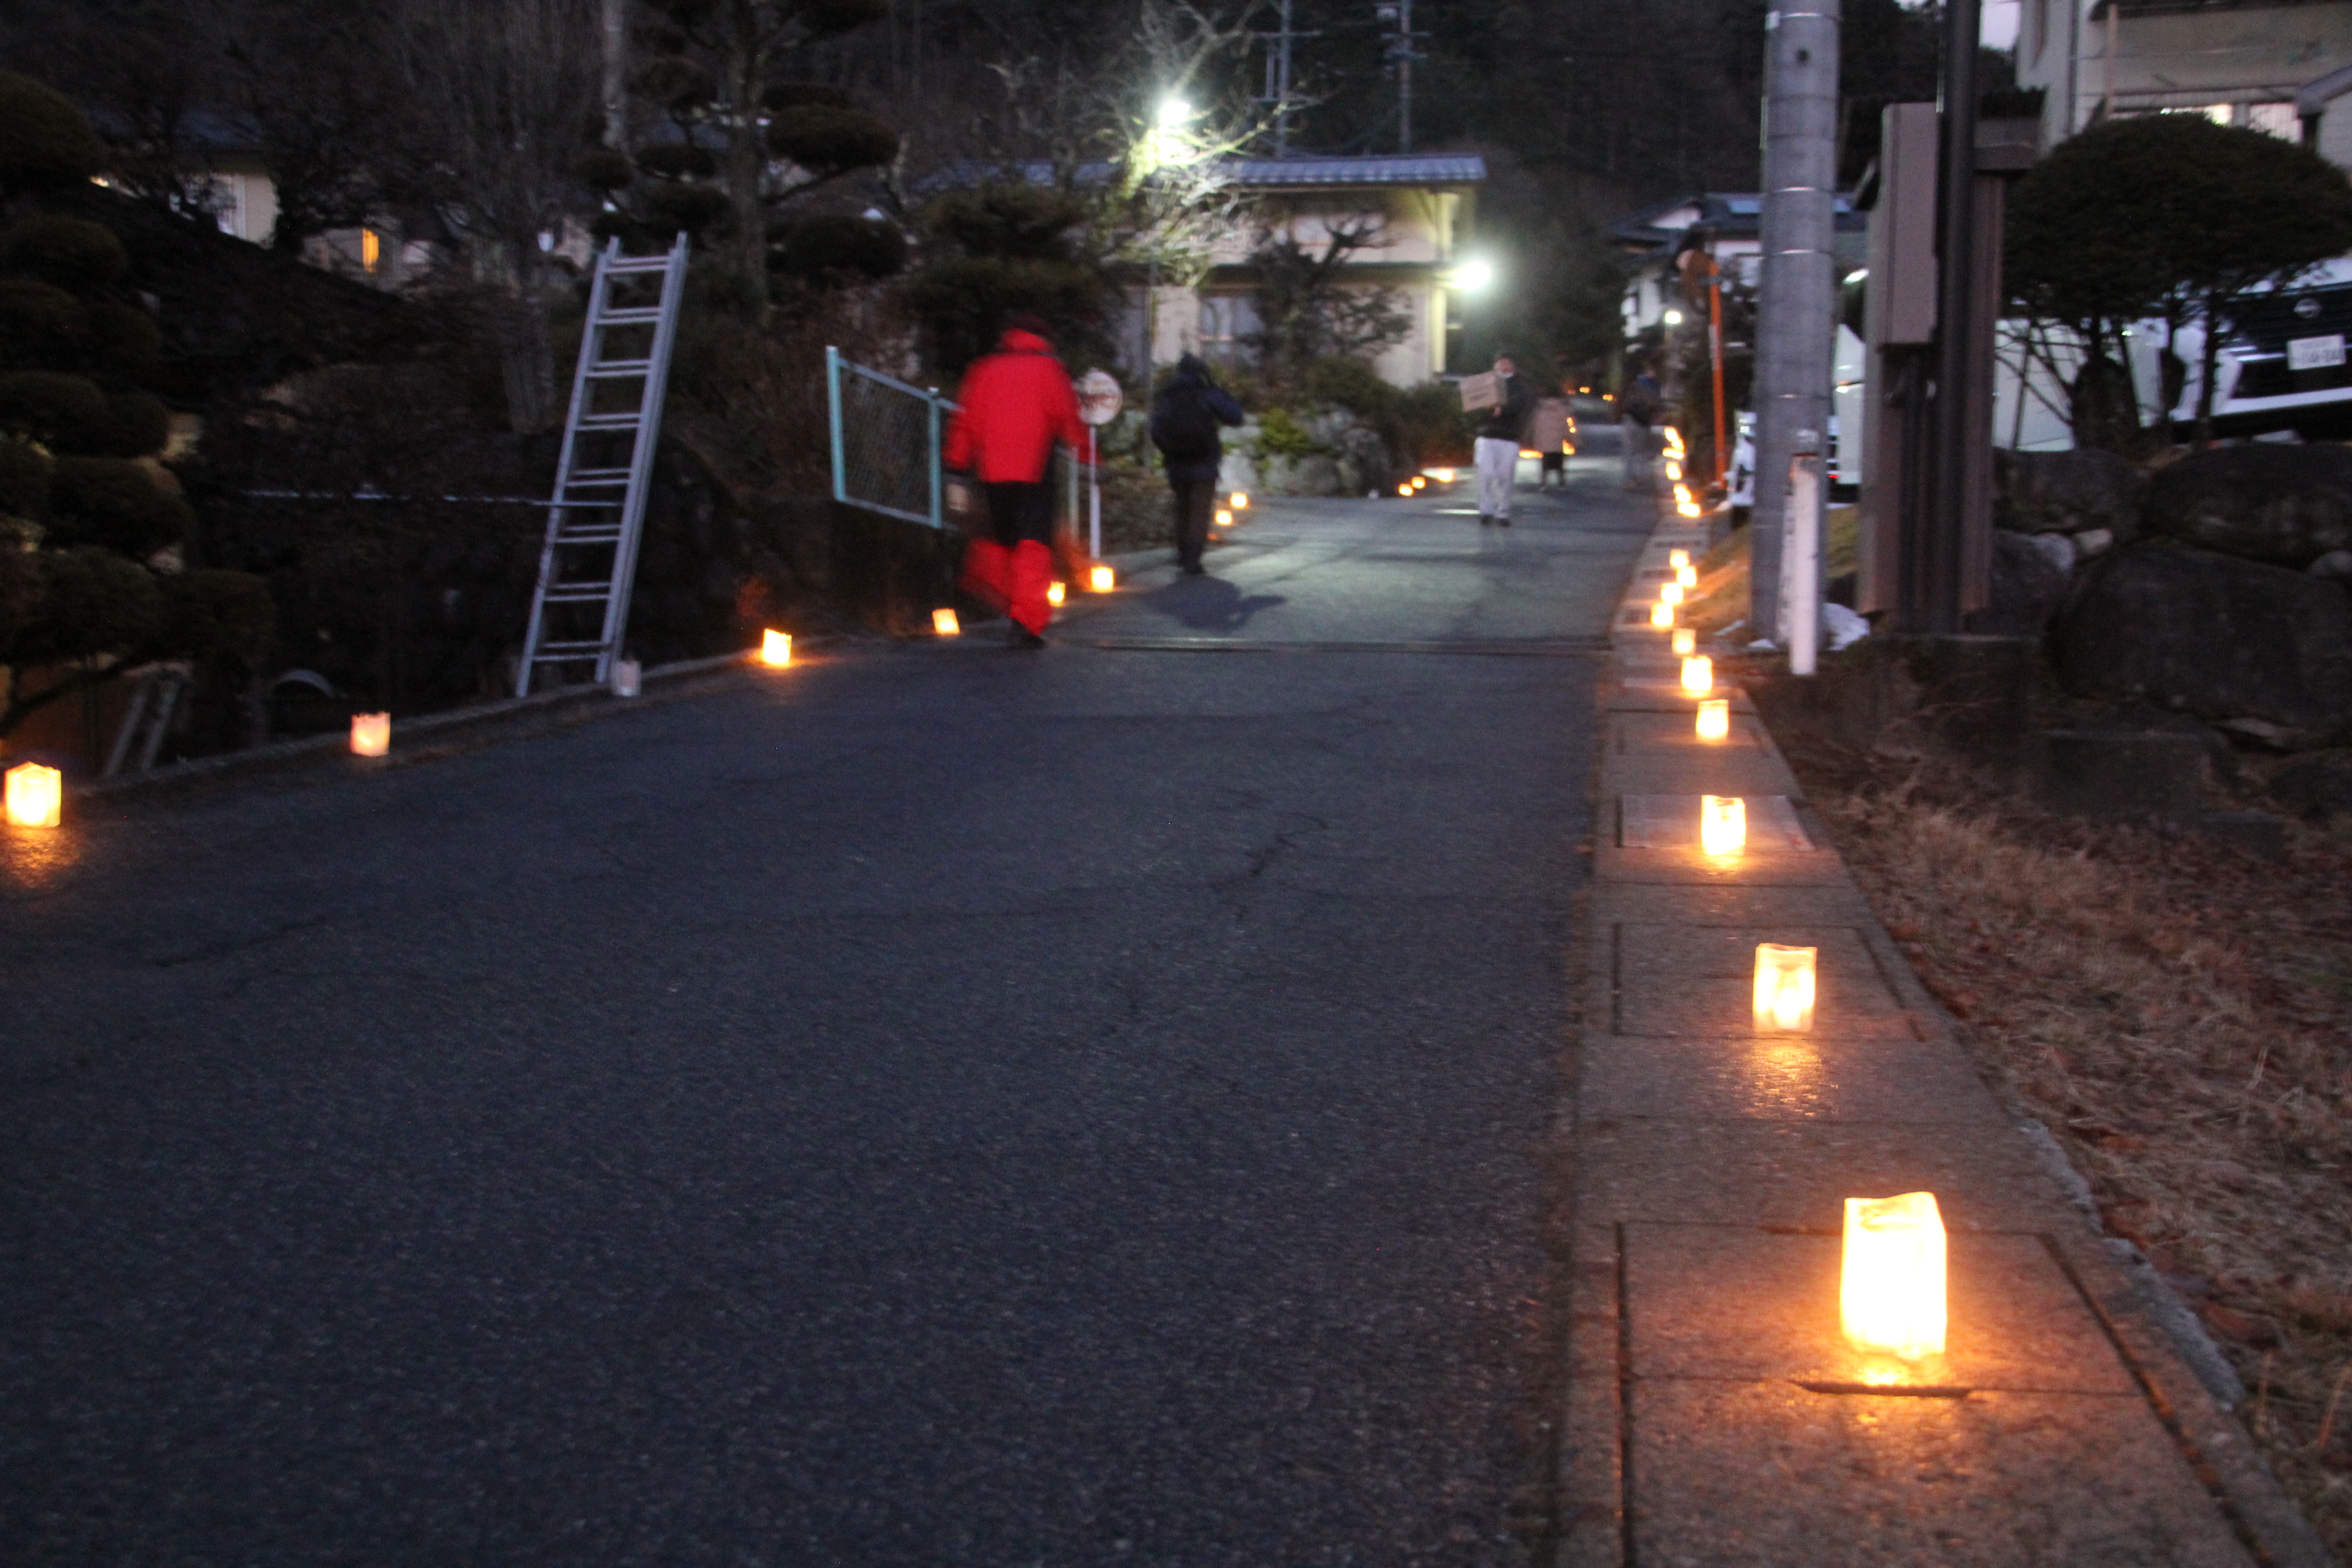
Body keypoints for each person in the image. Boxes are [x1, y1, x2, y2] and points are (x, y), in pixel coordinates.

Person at [944, 314, 1089, 648]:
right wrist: (1088, 458)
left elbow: (967, 420)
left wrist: (957, 463)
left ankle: (1004, 599)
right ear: (1042, 338)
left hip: (992, 471)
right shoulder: (1049, 369)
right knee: (1032, 545)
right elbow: (1068, 418)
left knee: (1004, 541)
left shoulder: (984, 370)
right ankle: (1026, 621)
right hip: (1035, 470)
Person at [1148, 353, 1245, 574]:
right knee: (1199, 511)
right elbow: (1236, 416)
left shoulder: (1169, 395)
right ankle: (1193, 560)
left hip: (1176, 462)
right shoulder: (1207, 393)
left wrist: (1168, 448)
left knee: (1182, 507)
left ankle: (1183, 555)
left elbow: (1156, 429)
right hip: (1204, 462)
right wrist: (1218, 388)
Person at [1473, 353, 1534, 526]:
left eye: (1507, 364)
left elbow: (1519, 406)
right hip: (1487, 436)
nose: (1504, 367)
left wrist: (1502, 409)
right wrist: (1487, 411)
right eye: (1500, 364)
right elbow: (1475, 407)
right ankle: (1485, 511)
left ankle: (1503, 512)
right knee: (1486, 475)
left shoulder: (1519, 387)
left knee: (1505, 476)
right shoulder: (1486, 384)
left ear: (1513, 367)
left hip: (1509, 437)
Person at [1620, 359, 1665, 494]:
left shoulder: (1635, 385)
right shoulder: (1655, 388)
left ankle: (1629, 479)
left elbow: (1625, 402)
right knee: (1640, 453)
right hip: (1644, 423)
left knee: (1629, 452)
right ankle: (1638, 478)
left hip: (1630, 420)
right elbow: (1658, 406)